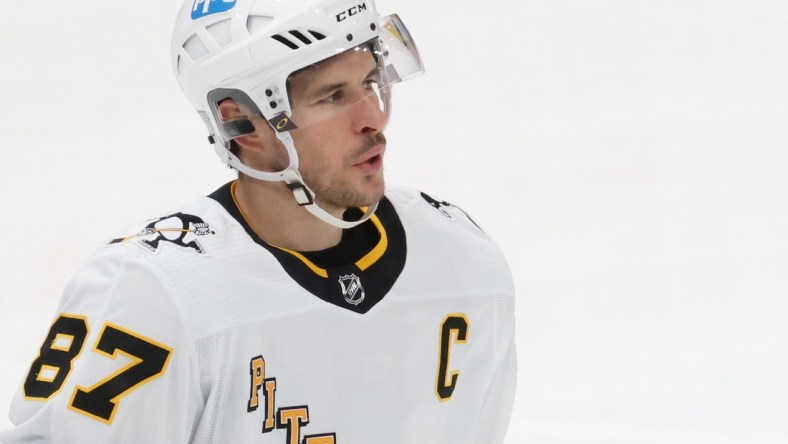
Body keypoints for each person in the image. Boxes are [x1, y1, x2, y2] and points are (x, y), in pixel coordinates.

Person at [0, 0, 516, 442]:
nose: (372, 118)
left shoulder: (464, 265)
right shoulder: (151, 295)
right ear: (241, 122)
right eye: (332, 96)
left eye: (369, 81)